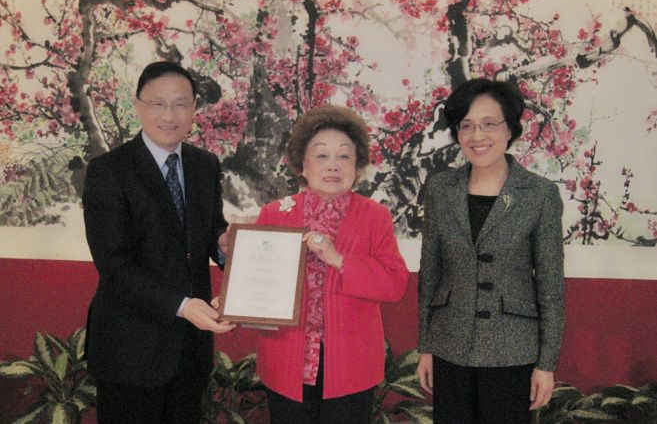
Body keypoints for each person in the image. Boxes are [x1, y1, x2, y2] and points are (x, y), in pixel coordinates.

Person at [83, 61, 235, 423]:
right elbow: (115, 265)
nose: (170, 115)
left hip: (190, 348)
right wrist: (183, 306)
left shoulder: (205, 165)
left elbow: (210, 231)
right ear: (137, 105)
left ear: (194, 108)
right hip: (129, 348)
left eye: (181, 104)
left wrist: (224, 246)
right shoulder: (108, 171)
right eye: (158, 103)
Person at [245, 104, 409, 423]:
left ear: (357, 165)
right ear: (302, 165)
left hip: (350, 365)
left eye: (344, 156)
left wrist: (339, 259)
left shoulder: (374, 216)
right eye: (321, 155)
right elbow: (256, 284)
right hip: (285, 362)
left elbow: (394, 284)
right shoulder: (275, 213)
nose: (333, 165)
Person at [416, 78, 565, 424]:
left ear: (510, 129)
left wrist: (546, 364)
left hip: (513, 350)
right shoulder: (441, 188)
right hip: (449, 345)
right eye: (465, 126)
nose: (476, 136)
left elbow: (550, 284)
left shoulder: (539, 194)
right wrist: (426, 346)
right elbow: (430, 273)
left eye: (489, 124)